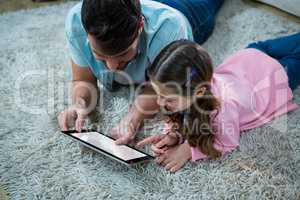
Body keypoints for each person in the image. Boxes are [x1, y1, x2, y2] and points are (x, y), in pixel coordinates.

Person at [57, 0, 224, 144]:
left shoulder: (170, 28)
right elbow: (82, 80)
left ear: (140, 27)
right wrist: (80, 104)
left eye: (123, 55)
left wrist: (133, 118)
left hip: (186, 9)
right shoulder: (76, 22)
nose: (112, 67)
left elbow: (163, 88)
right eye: (100, 56)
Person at [137, 32, 300, 172]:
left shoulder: (223, 110)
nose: (159, 102)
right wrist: (174, 135)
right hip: (252, 55)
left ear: (199, 92)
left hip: (274, 74)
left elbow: (227, 142)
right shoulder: (187, 93)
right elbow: (185, 118)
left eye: (168, 99)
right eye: (158, 94)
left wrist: (188, 150)